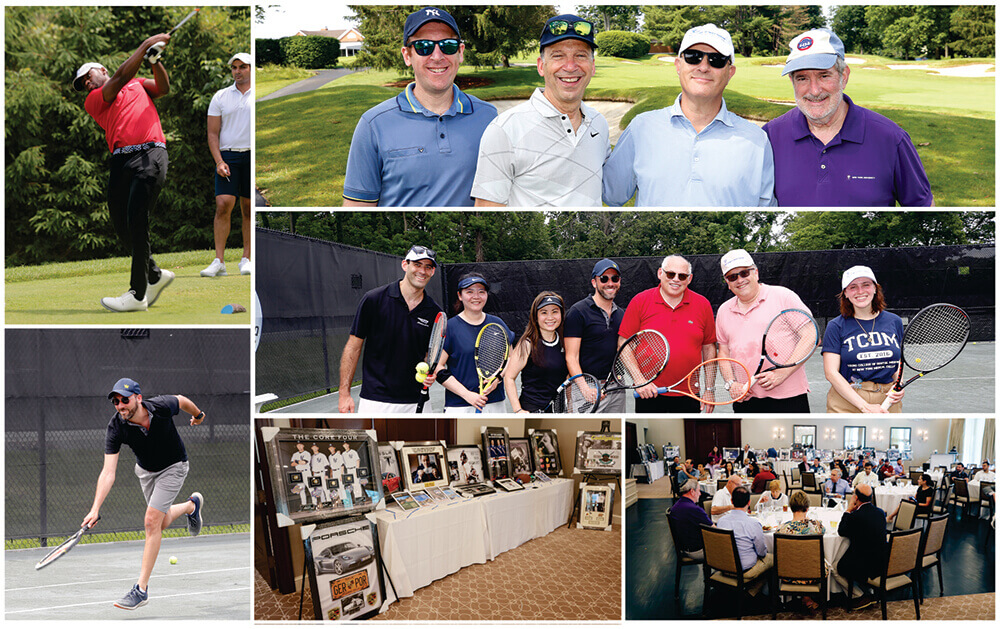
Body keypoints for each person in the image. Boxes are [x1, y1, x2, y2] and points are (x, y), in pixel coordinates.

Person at [603, 23, 774, 207]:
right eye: (694, 57)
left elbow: (766, 210)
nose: (703, 67)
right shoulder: (641, 128)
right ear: (678, 65)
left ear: (729, 72)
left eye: (716, 60)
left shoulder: (756, 140)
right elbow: (611, 195)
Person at [343, 7, 497, 206]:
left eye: (448, 45)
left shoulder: (489, 117)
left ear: (460, 53)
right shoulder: (373, 125)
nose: (437, 56)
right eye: (424, 46)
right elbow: (357, 207)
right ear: (407, 55)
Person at [763, 29, 933, 207]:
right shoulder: (770, 137)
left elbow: (923, 208)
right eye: (802, 78)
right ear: (792, 82)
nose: (814, 90)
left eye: (824, 76)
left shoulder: (891, 139)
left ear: (843, 77)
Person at [73, 34, 176, 312]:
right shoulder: (94, 99)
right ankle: (154, 274)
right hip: (120, 162)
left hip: (150, 154)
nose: (85, 83)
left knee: (137, 219)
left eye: (87, 76)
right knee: (121, 226)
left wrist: (155, 62)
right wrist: (145, 46)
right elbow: (119, 78)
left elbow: (163, 88)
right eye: (82, 83)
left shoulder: (137, 84)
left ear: (100, 70)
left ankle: (137, 294)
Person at [85, 378, 205, 609]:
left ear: (138, 398)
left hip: (174, 467)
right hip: (146, 473)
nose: (120, 406)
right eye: (116, 402)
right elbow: (108, 472)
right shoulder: (116, 427)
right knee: (160, 523)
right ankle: (191, 506)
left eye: (125, 400)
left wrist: (198, 415)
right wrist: (95, 509)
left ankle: (141, 590)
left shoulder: (160, 406)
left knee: (151, 521)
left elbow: (181, 400)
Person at [472, 14, 608, 206]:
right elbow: (487, 209)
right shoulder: (505, 130)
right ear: (541, 66)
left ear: (592, 66)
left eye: (580, 55)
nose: (570, 66)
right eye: (558, 55)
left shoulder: (599, 123)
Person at [339, 246, 440, 413]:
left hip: (418, 400)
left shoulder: (434, 311)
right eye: (417, 264)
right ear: (405, 265)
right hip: (376, 400)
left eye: (428, 267)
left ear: (433, 271)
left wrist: (432, 371)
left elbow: (429, 353)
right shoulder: (373, 299)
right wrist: (344, 394)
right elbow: (353, 347)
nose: (422, 271)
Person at [715, 249, 813, 413]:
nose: (740, 280)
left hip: (789, 399)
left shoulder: (783, 296)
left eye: (744, 273)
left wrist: (782, 373)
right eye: (733, 277)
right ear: (728, 282)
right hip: (746, 399)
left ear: (756, 273)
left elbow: (811, 336)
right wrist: (731, 383)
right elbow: (723, 352)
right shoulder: (724, 310)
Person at [622, 255, 717, 412]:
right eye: (670, 274)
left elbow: (709, 348)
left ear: (690, 279)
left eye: (682, 276)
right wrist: (639, 380)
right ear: (660, 273)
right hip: (649, 393)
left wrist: (709, 389)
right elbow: (624, 343)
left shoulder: (703, 305)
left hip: (690, 395)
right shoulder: (640, 301)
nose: (676, 279)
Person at [822, 266, 905, 412]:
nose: (860, 291)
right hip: (847, 401)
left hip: (887, 399)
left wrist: (899, 383)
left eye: (866, 285)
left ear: (875, 288)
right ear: (845, 293)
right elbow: (831, 373)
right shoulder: (835, 326)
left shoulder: (894, 321)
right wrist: (864, 406)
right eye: (853, 287)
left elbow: (897, 361)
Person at [201, 52, 252, 278]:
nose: (238, 71)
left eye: (242, 67)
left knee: (249, 208)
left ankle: (246, 259)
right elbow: (212, 134)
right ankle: (219, 261)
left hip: (252, 155)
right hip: (228, 156)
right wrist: (219, 161)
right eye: (234, 67)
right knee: (223, 205)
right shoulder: (221, 96)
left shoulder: (258, 94)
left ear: (251, 68)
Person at [435, 274, 515, 412]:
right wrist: (467, 395)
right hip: (459, 406)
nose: (476, 296)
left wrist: (498, 378)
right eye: (469, 291)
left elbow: (511, 358)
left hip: (495, 403)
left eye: (481, 291)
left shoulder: (497, 323)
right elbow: (438, 367)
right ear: (460, 296)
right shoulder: (450, 327)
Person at [564, 259, 625, 412]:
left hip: (616, 386)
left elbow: (623, 351)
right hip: (587, 386)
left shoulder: (622, 315)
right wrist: (584, 388)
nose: (610, 283)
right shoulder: (578, 312)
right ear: (594, 282)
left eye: (614, 278)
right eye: (604, 278)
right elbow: (571, 357)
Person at [503, 292, 568, 412]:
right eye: (544, 312)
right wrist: (518, 410)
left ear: (562, 314)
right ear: (536, 317)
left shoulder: (565, 342)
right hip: (531, 411)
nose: (550, 317)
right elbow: (509, 378)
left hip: (558, 412)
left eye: (555, 311)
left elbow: (568, 379)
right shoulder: (527, 344)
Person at [834, 484, 887, 609]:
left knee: (835, 568)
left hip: (864, 566)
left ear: (856, 498)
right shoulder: (880, 513)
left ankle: (859, 595)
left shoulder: (855, 516)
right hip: (881, 562)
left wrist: (848, 510)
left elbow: (841, 531)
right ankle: (869, 591)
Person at [775, 490, 826, 613]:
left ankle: (802, 597)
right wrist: (809, 521)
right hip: (814, 575)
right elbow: (823, 531)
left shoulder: (782, 528)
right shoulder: (816, 526)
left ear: (791, 507)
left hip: (788, 575)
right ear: (807, 508)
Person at [716, 486, 774, 596]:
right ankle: (753, 593)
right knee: (773, 558)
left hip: (723, 566)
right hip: (743, 570)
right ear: (749, 502)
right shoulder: (753, 524)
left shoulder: (721, 521)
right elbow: (762, 552)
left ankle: (748, 592)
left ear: (732, 501)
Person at [668, 479, 713, 560]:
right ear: (692, 491)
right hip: (696, 551)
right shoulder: (694, 510)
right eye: (698, 491)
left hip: (684, 547)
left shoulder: (676, 506)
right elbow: (714, 530)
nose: (699, 494)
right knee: (727, 547)